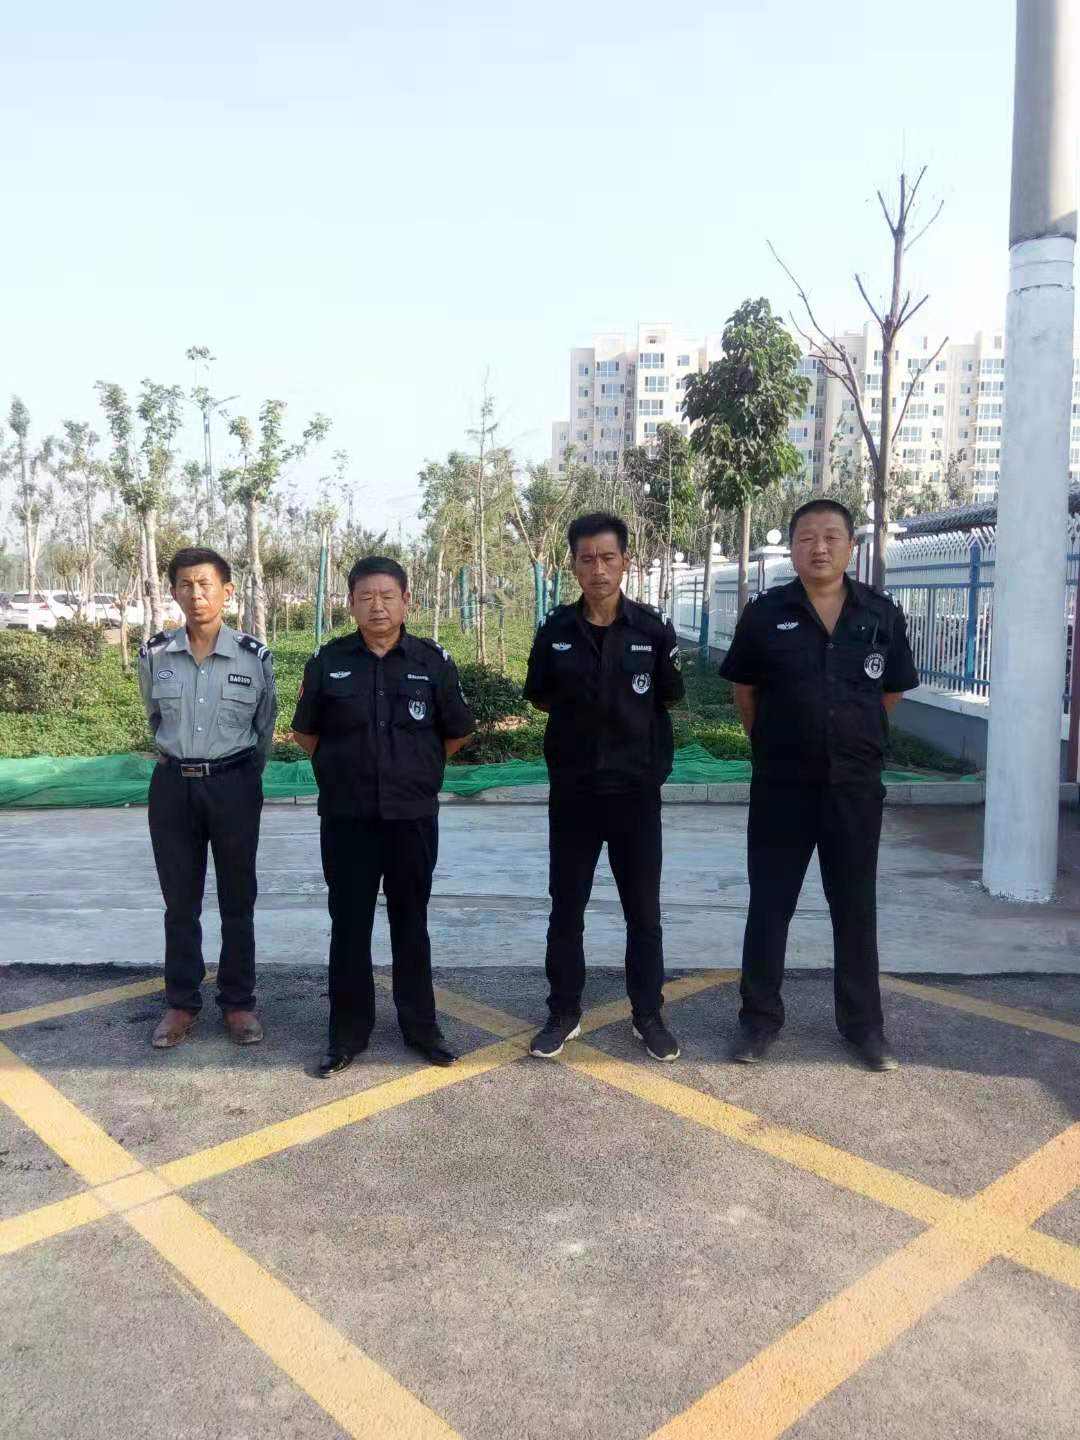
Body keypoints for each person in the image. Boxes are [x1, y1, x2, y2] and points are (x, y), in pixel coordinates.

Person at [720, 499, 920, 1072]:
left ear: (851, 546)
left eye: (832, 536)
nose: (820, 547)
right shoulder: (765, 614)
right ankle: (758, 1022)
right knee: (770, 905)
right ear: (792, 548)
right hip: (782, 788)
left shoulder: (880, 615)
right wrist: (779, 742)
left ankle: (864, 1028)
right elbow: (745, 692)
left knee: (854, 907)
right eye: (807, 537)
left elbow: (889, 692)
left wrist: (851, 739)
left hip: (853, 789)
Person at [290, 556, 474, 1076]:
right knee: (349, 925)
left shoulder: (431, 662)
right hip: (347, 818)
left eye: (388, 596)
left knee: (410, 922)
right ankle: (347, 1034)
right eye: (366, 597)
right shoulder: (328, 662)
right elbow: (305, 733)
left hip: (411, 816)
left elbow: (456, 733)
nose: (377, 606)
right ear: (350, 603)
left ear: (406, 601)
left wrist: (414, 770)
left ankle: (422, 1029)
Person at [523, 512, 685, 1063]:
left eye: (608, 557)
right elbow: (540, 696)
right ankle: (563, 1011)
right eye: (587, 558)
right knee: (567, 908)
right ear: (573, 564)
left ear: (625, 563)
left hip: (635, 794)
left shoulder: (652, 630)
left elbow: (667, 695)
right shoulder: (556, 631)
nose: (598, 569)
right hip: (574, 795)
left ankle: (648, 1014)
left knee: (644, 912)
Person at [139, 547, 277, 1049]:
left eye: (206, 584)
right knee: (180, 902)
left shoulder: (254, 656)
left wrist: (239, 775)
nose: (196, 594)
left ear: (227, 591)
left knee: (238, 899)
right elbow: (154, 717)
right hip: (173, 786)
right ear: (173, 591)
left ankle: (238, 1003)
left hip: (234, 784)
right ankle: (181, 1002)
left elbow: (265, 725)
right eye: (185, 584)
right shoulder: (154, 654)